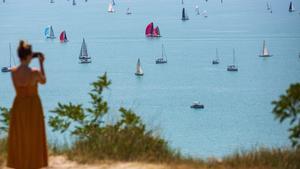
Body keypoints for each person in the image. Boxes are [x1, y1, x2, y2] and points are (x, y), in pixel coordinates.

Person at [7, 40, 48, 169]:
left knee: (20, 135)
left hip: (19, 104)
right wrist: (41, 63)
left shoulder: (13, 71)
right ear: (30, 56)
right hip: (33, 106)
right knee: (33, 135)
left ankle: (20, 163)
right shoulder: (34, 72)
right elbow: (44, 81)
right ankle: (33, 163)